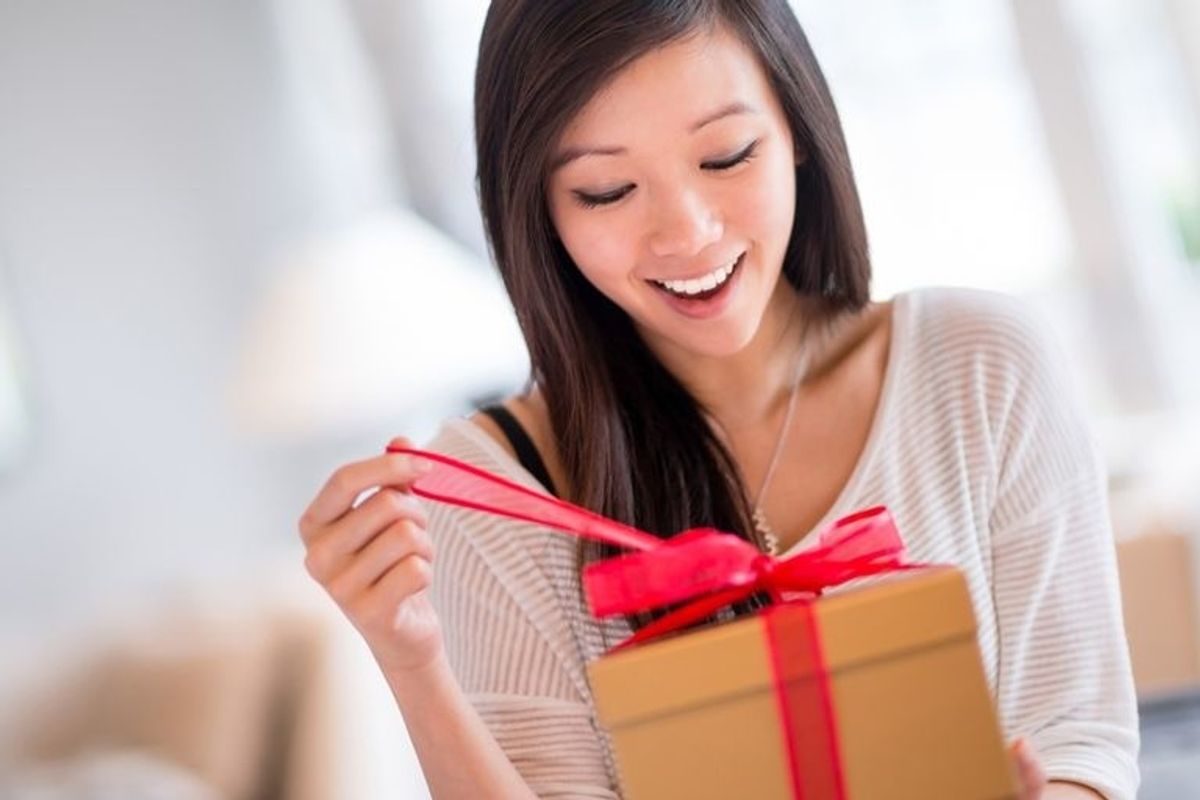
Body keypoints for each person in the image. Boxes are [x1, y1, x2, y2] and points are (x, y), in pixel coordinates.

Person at [296, 2, 1140, 798]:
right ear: (539, 210)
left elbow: (1080, 739)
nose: (688, 233)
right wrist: (411, 664)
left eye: (727, 155)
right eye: (606, 191)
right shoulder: (499, 489)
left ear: (797, 130)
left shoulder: (981, 365)